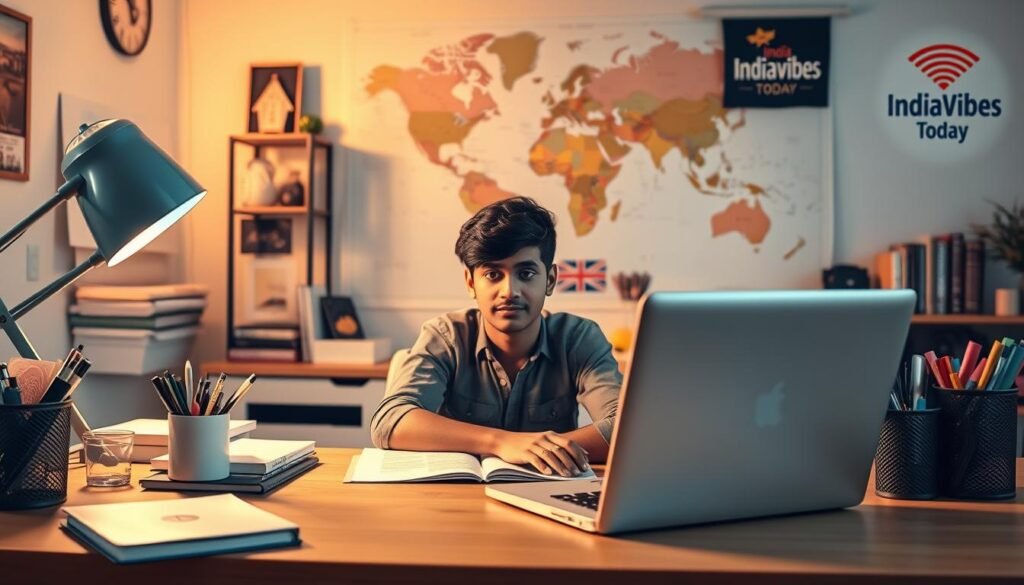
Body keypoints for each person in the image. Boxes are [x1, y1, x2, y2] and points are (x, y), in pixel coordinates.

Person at [370, 197, 622, 477]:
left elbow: (629, 427)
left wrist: (540, 450)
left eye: (526, 273)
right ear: (470, 282)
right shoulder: (445, 335)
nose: (509, 291)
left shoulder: (578, 338)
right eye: (492, 274)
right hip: (456, 502)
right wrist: (502, 442)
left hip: (550, 494)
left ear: (550, 280)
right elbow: (390, 420)